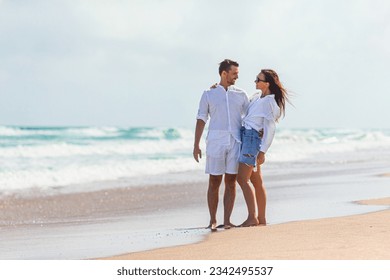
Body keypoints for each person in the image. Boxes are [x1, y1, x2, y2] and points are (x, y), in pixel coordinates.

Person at [193, 59, 249, 230]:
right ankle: (212, 220)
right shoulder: (208, 94)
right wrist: (196, 144)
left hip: (235, 141)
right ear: (224, 73)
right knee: (214, 181)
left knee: (231, 181)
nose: (236, 77)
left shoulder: (241, 94)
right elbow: (201, 118)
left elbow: (250, 116)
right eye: (234, 74)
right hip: (215, 142)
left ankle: (227, 220)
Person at [237, 69, 289, 227]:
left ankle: (252, 217)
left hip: (252, 140)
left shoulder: (269, 103)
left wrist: (262, 151)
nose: (255, 82)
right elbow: (243, 106)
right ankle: (262, 219)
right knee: (256, 181)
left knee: (242, 179)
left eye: (258, 80)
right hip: (246, 136)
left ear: (267, 84)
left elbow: (270, 129)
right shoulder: (257, 97)